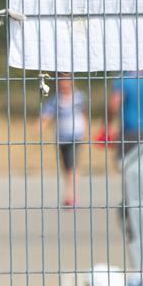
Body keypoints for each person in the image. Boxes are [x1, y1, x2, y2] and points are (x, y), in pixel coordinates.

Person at [38, 74, 88, 207]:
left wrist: (85, 129)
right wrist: (40, 126)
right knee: (66, 166)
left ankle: (71, 195)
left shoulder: (79, 97)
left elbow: (83, 113)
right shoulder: (56, 99)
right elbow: (47, 115)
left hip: (76, 135)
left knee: (72, 166)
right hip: (61, 136)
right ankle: (70, 192)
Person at [108, 70, 143, 159]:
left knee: (125, 164)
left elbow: (113, 106)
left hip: (128, 131)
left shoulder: (122, 80)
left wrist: (108, 124)